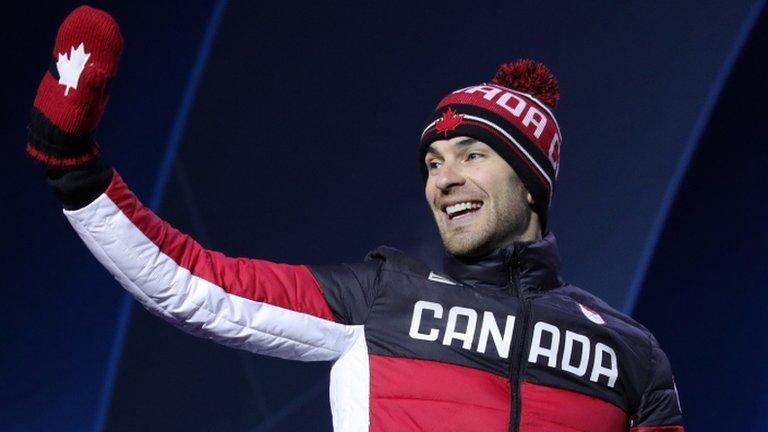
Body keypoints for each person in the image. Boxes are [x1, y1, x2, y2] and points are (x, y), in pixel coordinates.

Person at [28, 6, 685, 432]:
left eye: (471, 155)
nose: (443, 177)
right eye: (432, 162)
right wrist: (73, 169)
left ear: (531, 183)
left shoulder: (631, 354)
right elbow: (197, 286)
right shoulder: (381, 301)